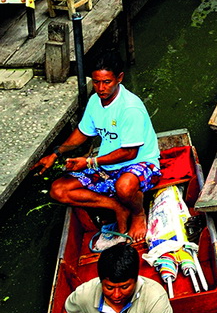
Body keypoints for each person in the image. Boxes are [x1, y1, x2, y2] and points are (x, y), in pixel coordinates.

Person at [40, 54, 161, 245]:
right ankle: (117, 207)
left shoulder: (130, 108)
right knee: (58, 190)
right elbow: (83, 131)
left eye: (106, 82)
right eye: (96, 82)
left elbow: (130, 153)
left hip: (140, 162)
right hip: (107, 164)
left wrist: (89, 161)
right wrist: (56, 153)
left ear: (119, 78)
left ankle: (138, 213)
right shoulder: (95, 101)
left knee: (124, 187)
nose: (101, 88)